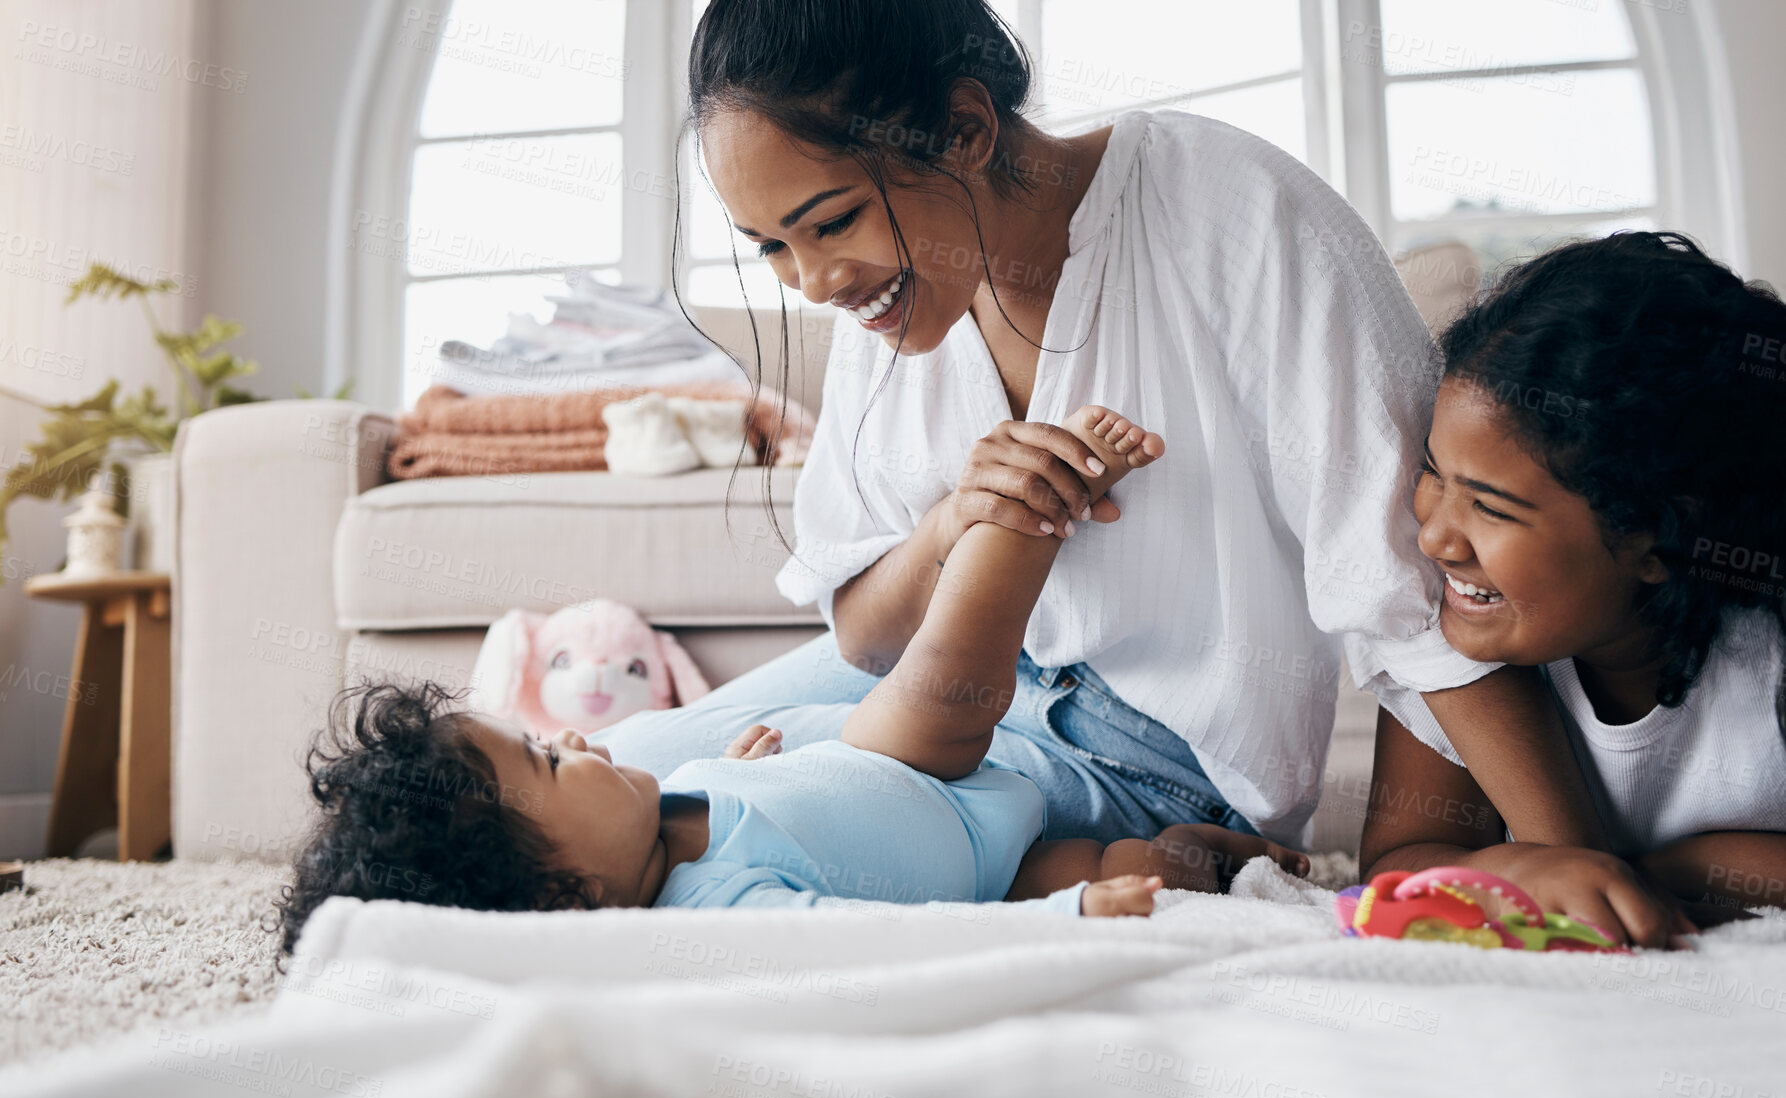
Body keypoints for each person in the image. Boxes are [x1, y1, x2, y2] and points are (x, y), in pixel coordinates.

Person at [600, 0, 1603, 857]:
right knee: (626, 773)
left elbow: (1415, 590)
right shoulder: (894, 299)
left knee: (709, 826)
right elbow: (863, 636)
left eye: (831, 223)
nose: (815, 284)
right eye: (770, 246)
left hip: (1152, 758)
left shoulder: (1234, 214)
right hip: (952, 685)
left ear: (962, 129)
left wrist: (1564, 858)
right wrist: (955, 524)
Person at [276, 406, 1309, 954]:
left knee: (955, 674)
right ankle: (1022, 510)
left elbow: (754, 813)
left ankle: (1006, 511)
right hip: (938, 794)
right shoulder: (720, 918)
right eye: (547, 762)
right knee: (1134, 868)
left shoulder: (654, 819)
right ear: (571, 895)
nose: (577, 738)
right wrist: (1059, 924)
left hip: (876, 766)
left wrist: (739, 768)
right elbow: (881, 950)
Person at [1355, 232, 1786, 948]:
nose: (1435, 538)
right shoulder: (1449, 651)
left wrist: (1664, 869)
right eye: (1436, 474)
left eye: (1490, 507)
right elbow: (1398, 860)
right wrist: (1512, 874)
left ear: (1652, 536)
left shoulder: (1765, 658)